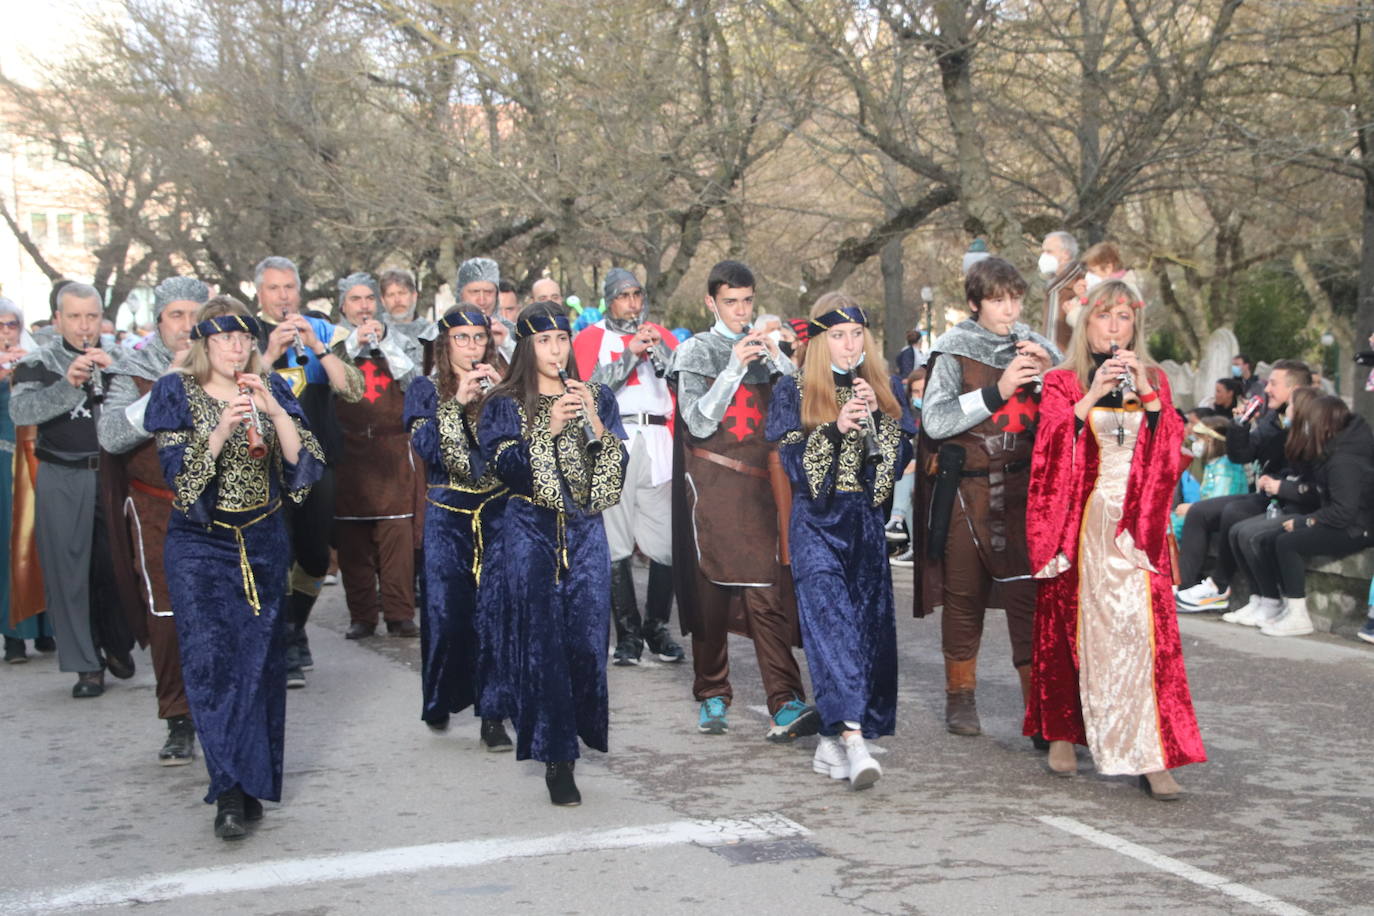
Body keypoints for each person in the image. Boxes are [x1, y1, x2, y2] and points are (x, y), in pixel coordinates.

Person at [145, 296, 324, 839]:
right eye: (224, 338)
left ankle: (251, 779)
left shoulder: (274, 389)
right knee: (210, 663)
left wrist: (272, 412)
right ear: (204, 342)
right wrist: (220, 431)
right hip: (201, 544)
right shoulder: (175, 392)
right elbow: (183, 482)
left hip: (264, 539)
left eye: (244, 338)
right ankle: (227, 789)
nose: (235, 348)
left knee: (260, 663)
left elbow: (306, 465)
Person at [1025, 279, 1205, 799]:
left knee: (1141, 637)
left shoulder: (1156, 378)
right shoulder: (1062, 380)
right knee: (1070, 625)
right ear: (1087, 323)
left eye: (1124, 318)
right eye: (1105, 316)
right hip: (1080, 522)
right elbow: (1049, 451)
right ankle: (1063, 730)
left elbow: (1170, 452)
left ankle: (1151, 754)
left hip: (1137, 525)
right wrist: (1092, 395)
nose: (1114, 327)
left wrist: (1148, 395)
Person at [477, 303, 627, 806]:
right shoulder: (503, 402)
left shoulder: (596, 397)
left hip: (585, 531)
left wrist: (596, 429)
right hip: (529, 531)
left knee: (586, 644)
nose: (555, 350)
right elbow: (510, 470)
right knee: (543, 649)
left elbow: (608, 485)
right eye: (544, 341)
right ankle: (557, 758)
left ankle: (577, 733)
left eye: (562, 339)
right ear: (525, 347)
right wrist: (550, 431)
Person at [766, 293, 912, 789]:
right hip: (816, 524)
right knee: (831, 628)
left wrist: (882, 422)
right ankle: (852, 739)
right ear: (820, 341)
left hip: (865, 525)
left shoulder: (884, 386)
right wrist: (833, 429)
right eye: (837, 336)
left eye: (856, 335)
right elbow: (794, 468)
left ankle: (833, 736)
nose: (848, 345)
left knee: (868, 632)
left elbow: (892, 470)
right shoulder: (792, 390)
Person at [668, 260, 818, 740]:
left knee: (766, 592)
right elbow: (698, 421)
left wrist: (781, 361)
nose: (740, 310)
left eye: (747, 301)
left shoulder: (769, 352)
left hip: (763, 486)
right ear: (711, 302)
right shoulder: (694, 351)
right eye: (730, 301)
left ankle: (785, 700)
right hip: (712, 485)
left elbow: (799, 413)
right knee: (712, 590)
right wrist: (733, 366)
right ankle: (712, 693)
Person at [912, 257, 1059, 739]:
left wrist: (1050, 379)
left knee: (1027, 599)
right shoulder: (954, 349)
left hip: (1023, 492)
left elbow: (1065, 416)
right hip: (966, 488)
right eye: (998, 299)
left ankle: (1039, 710)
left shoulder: (1039, 347)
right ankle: (960, 699)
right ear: (975, 303)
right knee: (963, 595)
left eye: (1015, 298)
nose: (1009, 308)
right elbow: (935, 422)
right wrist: (998, 390)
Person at [96, 277, 207, 763]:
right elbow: (112, 435)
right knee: (167, 613)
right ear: (158, 322)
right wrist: (168, 384)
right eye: (176, 316)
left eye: (195, 316)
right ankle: (177, 716)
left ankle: (222, 705)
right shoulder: (133, 370)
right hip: (157, 505)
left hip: (216, 506)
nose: (187, 326)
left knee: (218, 609)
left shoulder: (225, 363)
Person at [9, 282, 135, 697]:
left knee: (117, 565)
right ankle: (86, 665)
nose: (84, 326)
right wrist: (68, 384)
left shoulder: (120, 359)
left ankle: (116, 643)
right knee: (69, 573)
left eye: (92, 317)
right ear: (58, 319)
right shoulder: (37, 363)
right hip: (62, 474)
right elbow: (22, 411)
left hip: (114, 474)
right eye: (75, 317)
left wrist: (113, 370)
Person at [252, 256, 363, 688]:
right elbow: (233, 384)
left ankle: (295, 624)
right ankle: (283, 643)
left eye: (289, 289)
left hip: (318, 461)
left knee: (316, 557)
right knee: (277, 554)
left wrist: (316, 348)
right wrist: (270, 354)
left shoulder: (322, 330)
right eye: (274, 288)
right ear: (259, 292)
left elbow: (351, 389)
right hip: (268, 463)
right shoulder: (245, 333)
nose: (282, 297)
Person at [406, 307, 513, 748]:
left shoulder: (503, 387)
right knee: (448, 616)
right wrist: (456, 405)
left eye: (478, 338)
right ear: (444, 343)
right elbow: (428, 448)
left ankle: (493, 714)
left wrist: (499, 398)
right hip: (447, 514)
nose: (472, 347)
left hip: (497, 513)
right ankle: (439, 696)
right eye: (462, 338)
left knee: (494, 614)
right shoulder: (423, 389)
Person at [573, 268, 683, 666]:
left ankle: (657, 627)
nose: (633, 303)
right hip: (613, 440)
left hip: (657, 440)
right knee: (616, 541)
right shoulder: (589, 339)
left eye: (638, 294)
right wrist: (630, 353)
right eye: (624, 296)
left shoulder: (663, 335)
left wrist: (661, 354)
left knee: (667, 543)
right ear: (609, 300)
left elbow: (684, 385)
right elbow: (590, 391)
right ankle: (629, 635)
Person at [1174, 359, 1313, 611]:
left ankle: (1219, 585)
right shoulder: (1274, 419)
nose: (1266, 389)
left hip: (1289, 498)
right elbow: (1242, 454)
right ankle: (1184, 585)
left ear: (1293, 390)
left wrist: (1279, 484)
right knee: (1199, 512)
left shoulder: (1308, 422)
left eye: (1273, 383)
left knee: (1235, 512)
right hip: (1266, 494)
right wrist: (1240, 426)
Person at [1231, 395, 1374, 637]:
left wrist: (1304, 522)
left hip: (1357, 528)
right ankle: (1281, 605)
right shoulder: (1331, 450)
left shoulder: (1344, 459)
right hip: (1341, 519)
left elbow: (1344, 512)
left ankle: (1299, 614)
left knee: (1288, 543)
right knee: (1269, 537)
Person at [332, 273, 423, 640]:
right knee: (353, 538)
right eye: (355, 300)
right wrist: (354, 344)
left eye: (369, 298)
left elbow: (416, 382)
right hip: (350, 452)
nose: (364, 306)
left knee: (396, 536)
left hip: (392, 451)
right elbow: (328, 377)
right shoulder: (333, 342)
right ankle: (363, 614)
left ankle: (400, 613)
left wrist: (386, 345)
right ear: (343, 306)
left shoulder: (400, 339)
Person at [0, 297, 55, 663]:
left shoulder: (33, 359)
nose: (6, 333)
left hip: (35, 458)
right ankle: (14, 633)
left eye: (12, 325)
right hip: (2, 461)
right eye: (0, 326)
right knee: (9, 544)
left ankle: (45, 625)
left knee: (41, 539)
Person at [1171, 417, 1248, 546]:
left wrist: (1192, 509)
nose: (1194, 444)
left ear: (1211, 441)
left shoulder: (1225, 467)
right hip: (1203, 517)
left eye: (1198, 439)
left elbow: (1216, 505)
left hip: (1216, 525)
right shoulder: (1213, 464)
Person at [886, 367, 926, 568]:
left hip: (934, 468)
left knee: (908, 474)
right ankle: (912, 545)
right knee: (909, 480)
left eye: (923, 391)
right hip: (915, 471)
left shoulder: (937, 412)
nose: (919, 397)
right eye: (915, 392)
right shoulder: (909, 414)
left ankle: (896, 518)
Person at [379, 268, 436, 344]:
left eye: (402, 293)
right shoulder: (374, 332)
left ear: (414, 296)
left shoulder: (430, 334)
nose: (397, 300)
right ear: (383, 300)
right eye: (391, 295)